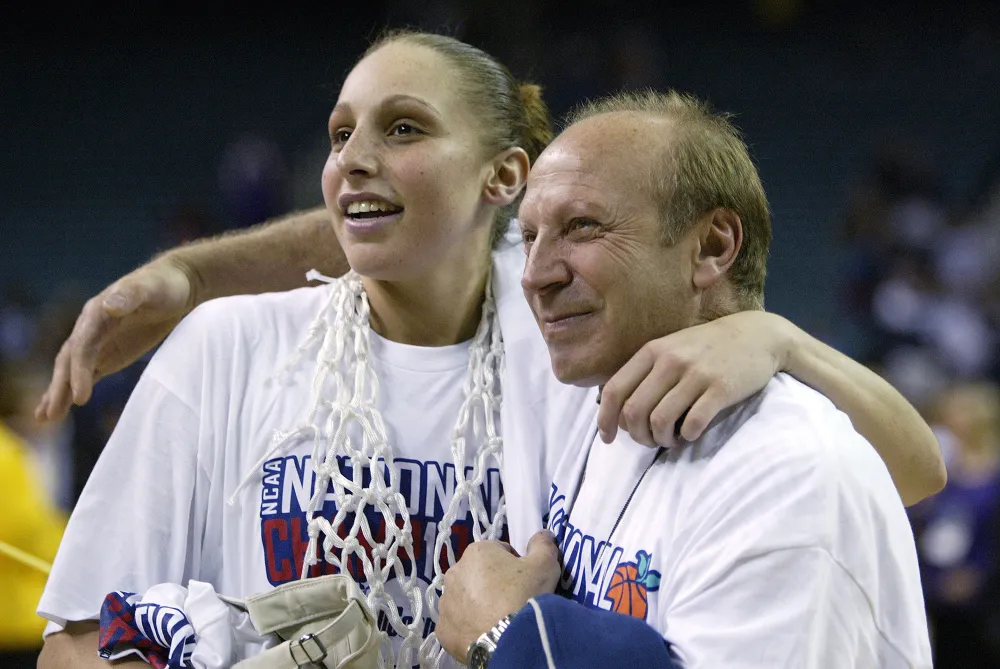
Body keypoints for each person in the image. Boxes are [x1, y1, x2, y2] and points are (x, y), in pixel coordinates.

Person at [37, 33, 943, 669]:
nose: (354, 156)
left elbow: (903, 468)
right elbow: (70, 644)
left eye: (403, 127)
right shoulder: (226, 348)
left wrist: (775, 336)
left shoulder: (562, 340)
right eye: (339, 132)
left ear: (503, 175)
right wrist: (194, 276)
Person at [432, 91, 933, 668]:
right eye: (530, 237)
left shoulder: (790, 474)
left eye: (583, 225)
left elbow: (919, 470)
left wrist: (502, 638)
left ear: (713, 246)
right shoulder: (600, 401)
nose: (535, 276)